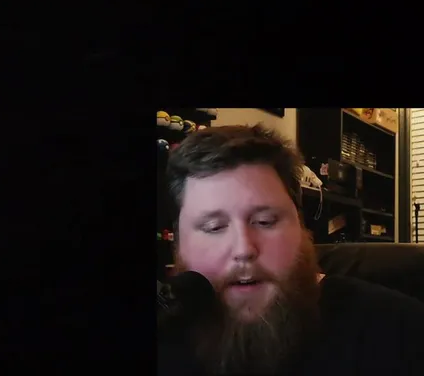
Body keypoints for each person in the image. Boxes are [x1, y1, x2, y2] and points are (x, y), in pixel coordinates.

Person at [158, 124, 424, 375]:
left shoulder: (399, 332)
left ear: (301, 226)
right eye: (214, 227)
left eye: (265, 221)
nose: (244, 249)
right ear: (178, 242)